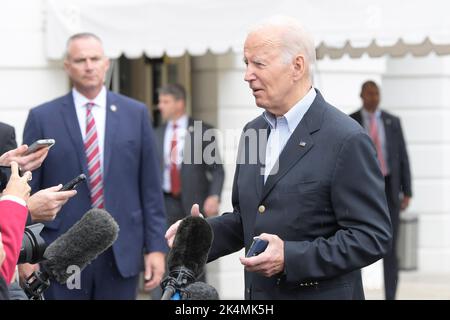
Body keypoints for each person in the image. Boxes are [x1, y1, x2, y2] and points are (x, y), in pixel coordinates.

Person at [166, 16, 392, 300]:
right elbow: (246, 219)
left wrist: (290, 257)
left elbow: (371, 237)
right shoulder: (253, 132)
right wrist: (198, 235)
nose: (248, 74)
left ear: (297, 66)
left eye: (258, 64)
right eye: (246, 63)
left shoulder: (346, 138)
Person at [23, 32, 167, 299]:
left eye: (94, 58)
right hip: (61, 249)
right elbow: (28, 189)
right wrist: (26, 253)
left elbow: (150, 188)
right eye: (80, 60)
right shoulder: (43, 117)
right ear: (67, 66)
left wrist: (156, 248)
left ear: (106, 63)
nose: (88, 66)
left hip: (121, 247)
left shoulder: (135, 114)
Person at [350, 80, 412, 300]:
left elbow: (402, 157)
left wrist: (408, 191)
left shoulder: (392, 121)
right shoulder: (352, 121)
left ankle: (391, 296)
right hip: (362, 189)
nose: (374, 97)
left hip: (389, 188)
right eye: (369, 93)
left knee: (391, 247)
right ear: (361, 95)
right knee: (355, 240)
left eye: (376, 93)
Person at [155, 83, 224, 226]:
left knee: (194, 246)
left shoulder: (202, 130)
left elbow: (217, 170)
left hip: (195, 203)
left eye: (165, 102)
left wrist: (214, 196)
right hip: (165, 204)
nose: (160, 106)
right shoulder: (156, 133)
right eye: (160, 101)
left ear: (180, 104)